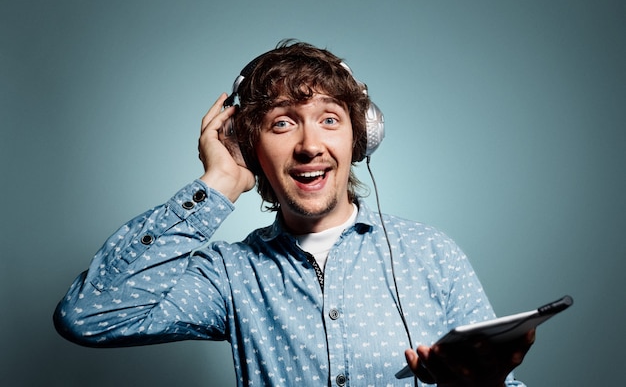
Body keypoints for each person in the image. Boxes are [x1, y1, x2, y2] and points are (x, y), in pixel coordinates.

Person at [54, 40, 534, 387]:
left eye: (329, 119)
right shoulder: (229, 274)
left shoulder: (432, 254)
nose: (309, 145)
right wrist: (219, 183)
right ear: (249, 146)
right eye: (282, 123)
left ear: (359, 139)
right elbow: (88, 316)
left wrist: (486, 386)